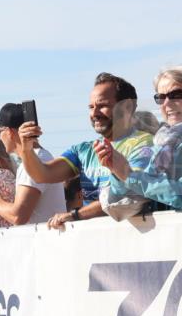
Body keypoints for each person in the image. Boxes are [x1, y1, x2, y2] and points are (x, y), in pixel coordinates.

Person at [18, 73, 154, 229]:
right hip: (95, 240)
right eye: (91, 107)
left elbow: (131, 194)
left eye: (102, 105)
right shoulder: (84, 150)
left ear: (127, 107)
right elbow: (42, 174)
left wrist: (76, 214)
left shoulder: (144, 144)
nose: (94, 113)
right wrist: (26, 149)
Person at [0, 103, 66, 225]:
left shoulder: (33, 162)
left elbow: (18, 217)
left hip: (44, 241)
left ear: (9, 132)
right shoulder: (39, 157)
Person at [97, 67, 182, 211]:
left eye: (176, 94)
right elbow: (132, 194)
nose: (166, 103)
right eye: (161, 97)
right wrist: (118, 172)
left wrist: (129, 175)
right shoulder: (162, 142)